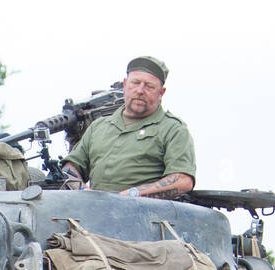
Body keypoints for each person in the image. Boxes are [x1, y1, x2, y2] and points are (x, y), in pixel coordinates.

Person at [61, 56, 196, 199]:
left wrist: (130, 196)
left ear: (161, 93)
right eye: (135, 83)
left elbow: (182, 181)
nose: (140, 90)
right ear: (125, 85)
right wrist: (82, 191)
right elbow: (71, 166)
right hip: (94, 212)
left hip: (145, 215)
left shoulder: (173, 129)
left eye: (149, 86)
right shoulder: (99, 127)